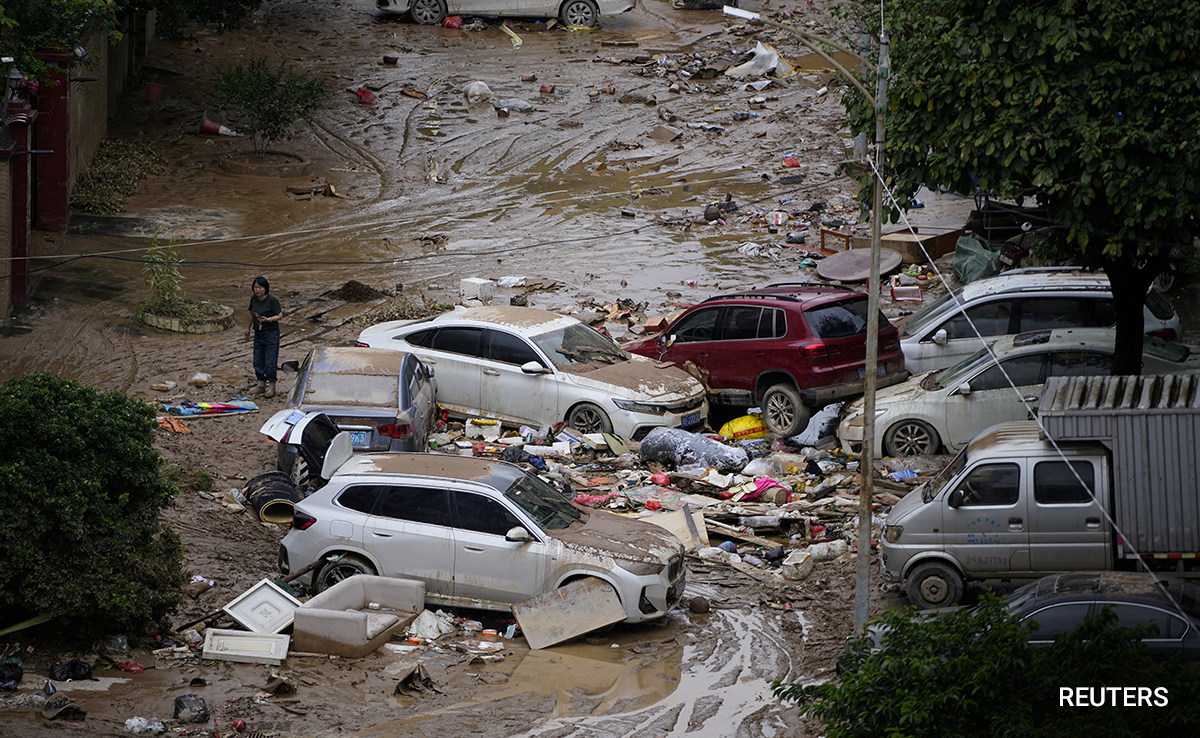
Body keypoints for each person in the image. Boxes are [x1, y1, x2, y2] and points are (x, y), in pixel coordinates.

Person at [244, 276, 283, 397]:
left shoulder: (272, 300)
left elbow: (280, 316)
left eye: (260, 287)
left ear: (265, 288)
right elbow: (250, 314)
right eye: (255, 287)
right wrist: (248, 328)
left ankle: (272, 387)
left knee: (270, 362)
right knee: (258, 360)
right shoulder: (254, 299)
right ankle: (260, 384)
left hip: (271, 333)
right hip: (258, 333)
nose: (257, 290)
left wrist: (269, 319)